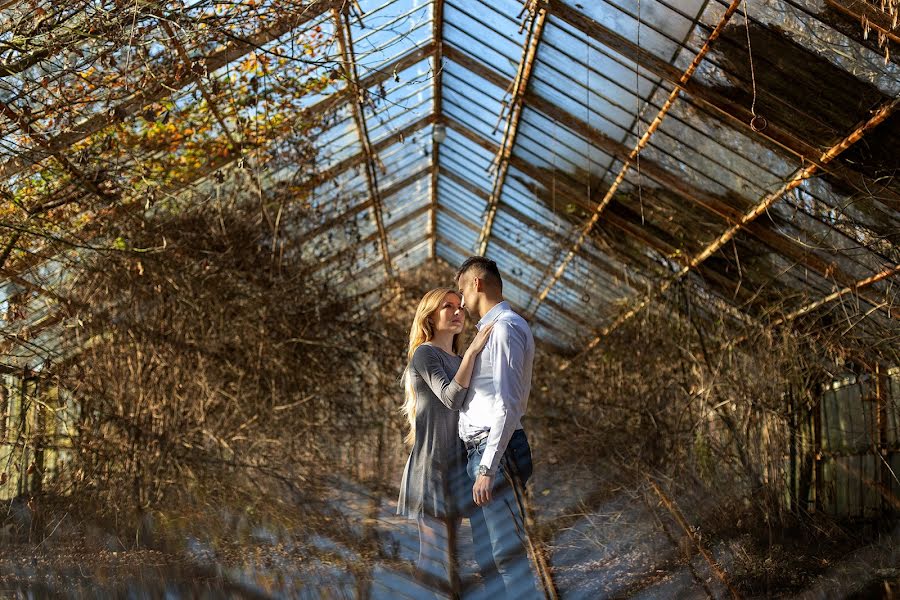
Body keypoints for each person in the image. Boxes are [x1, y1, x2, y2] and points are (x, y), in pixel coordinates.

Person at [397, 287, 494, 594]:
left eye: (459, 307)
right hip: (431, 467)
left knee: (452, 557)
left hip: (458, 468)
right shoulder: (425, 354)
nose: (456, 312)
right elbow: (451, 398)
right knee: (432, 557)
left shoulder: (461, 358)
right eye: (446, 306)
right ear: (430, 315)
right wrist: (475, 351)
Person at [455, 256, 541, 598]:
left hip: (494, 455)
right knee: (488, 556)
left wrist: (488, 467)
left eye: (461, 290)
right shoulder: (492, 330)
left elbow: (507, 404)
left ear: (477, 284)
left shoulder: (505, 328)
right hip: (482, 453)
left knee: (507, 556)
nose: (461, 301)